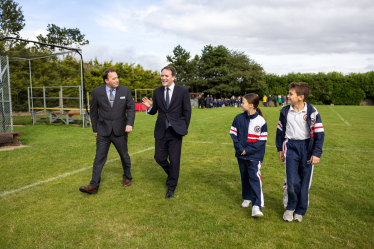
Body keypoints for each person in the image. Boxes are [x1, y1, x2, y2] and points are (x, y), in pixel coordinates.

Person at [79, 68, 135, 194]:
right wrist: (95, 129)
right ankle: (93, 186)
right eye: (113, 78)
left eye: (117, 77)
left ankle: (127, 177)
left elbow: (131, 108)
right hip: (103, 131)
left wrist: (129, 124)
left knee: (124, 155)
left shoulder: (125, 90)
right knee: (99, 158)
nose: (117, 80)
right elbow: (93, 112)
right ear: (106, 80)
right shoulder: (97, 91)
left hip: (120, 130)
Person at [276, 82, 325, 222]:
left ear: (301, 97)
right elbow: (280, 131)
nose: (288, 96)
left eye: (291, 94)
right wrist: (280, 148)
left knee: (304, 182)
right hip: (290, 147)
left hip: (307, 148)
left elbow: (319, 133)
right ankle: (290, 208)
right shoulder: (285, 111)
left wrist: (316, 153)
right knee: (292, 181)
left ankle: (300, 210)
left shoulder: (312, 112)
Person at [142, 66, 191, 199]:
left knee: (174, 160)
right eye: (162, 75)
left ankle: (171, 187)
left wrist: (183, 127)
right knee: (159, 157)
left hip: (176, 131)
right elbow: (154, 111)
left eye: (166, 76)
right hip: (161, 130)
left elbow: (187, 111)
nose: (163, 78)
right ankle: (172, 174)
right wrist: (150, 107)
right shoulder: (157, 91)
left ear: (173, 77)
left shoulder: (183, 91)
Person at [230, 93, 267, 217]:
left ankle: (256, 206)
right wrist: (241, 148)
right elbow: (233, 134)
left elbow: (262, 141)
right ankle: (247, 197)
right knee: (244, 176)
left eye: (243, 102)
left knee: (254, 177)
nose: (241, 104)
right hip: (241, 154)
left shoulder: (261, 121)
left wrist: (249, 150)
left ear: (251, 105)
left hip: (255, 156)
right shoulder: (238, 118)